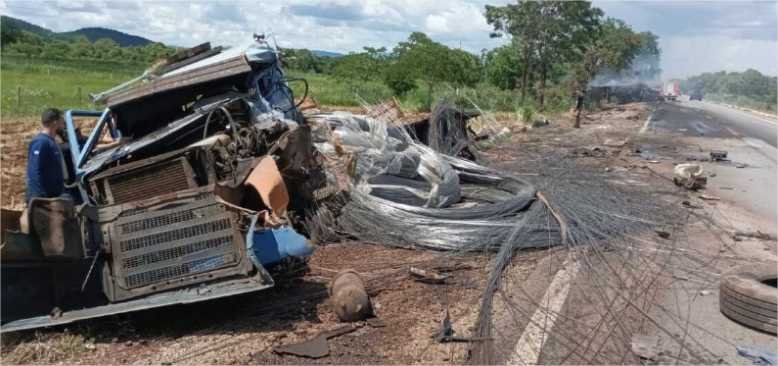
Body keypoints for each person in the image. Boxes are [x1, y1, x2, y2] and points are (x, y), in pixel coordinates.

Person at [26, 108, 69, 202]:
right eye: (61, 121)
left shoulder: (51, 142)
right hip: (43, 199)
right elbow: (34, 172)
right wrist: (39, 198)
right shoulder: (41, 142)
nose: (63, 125)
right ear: (55, 122)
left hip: (53, 196)